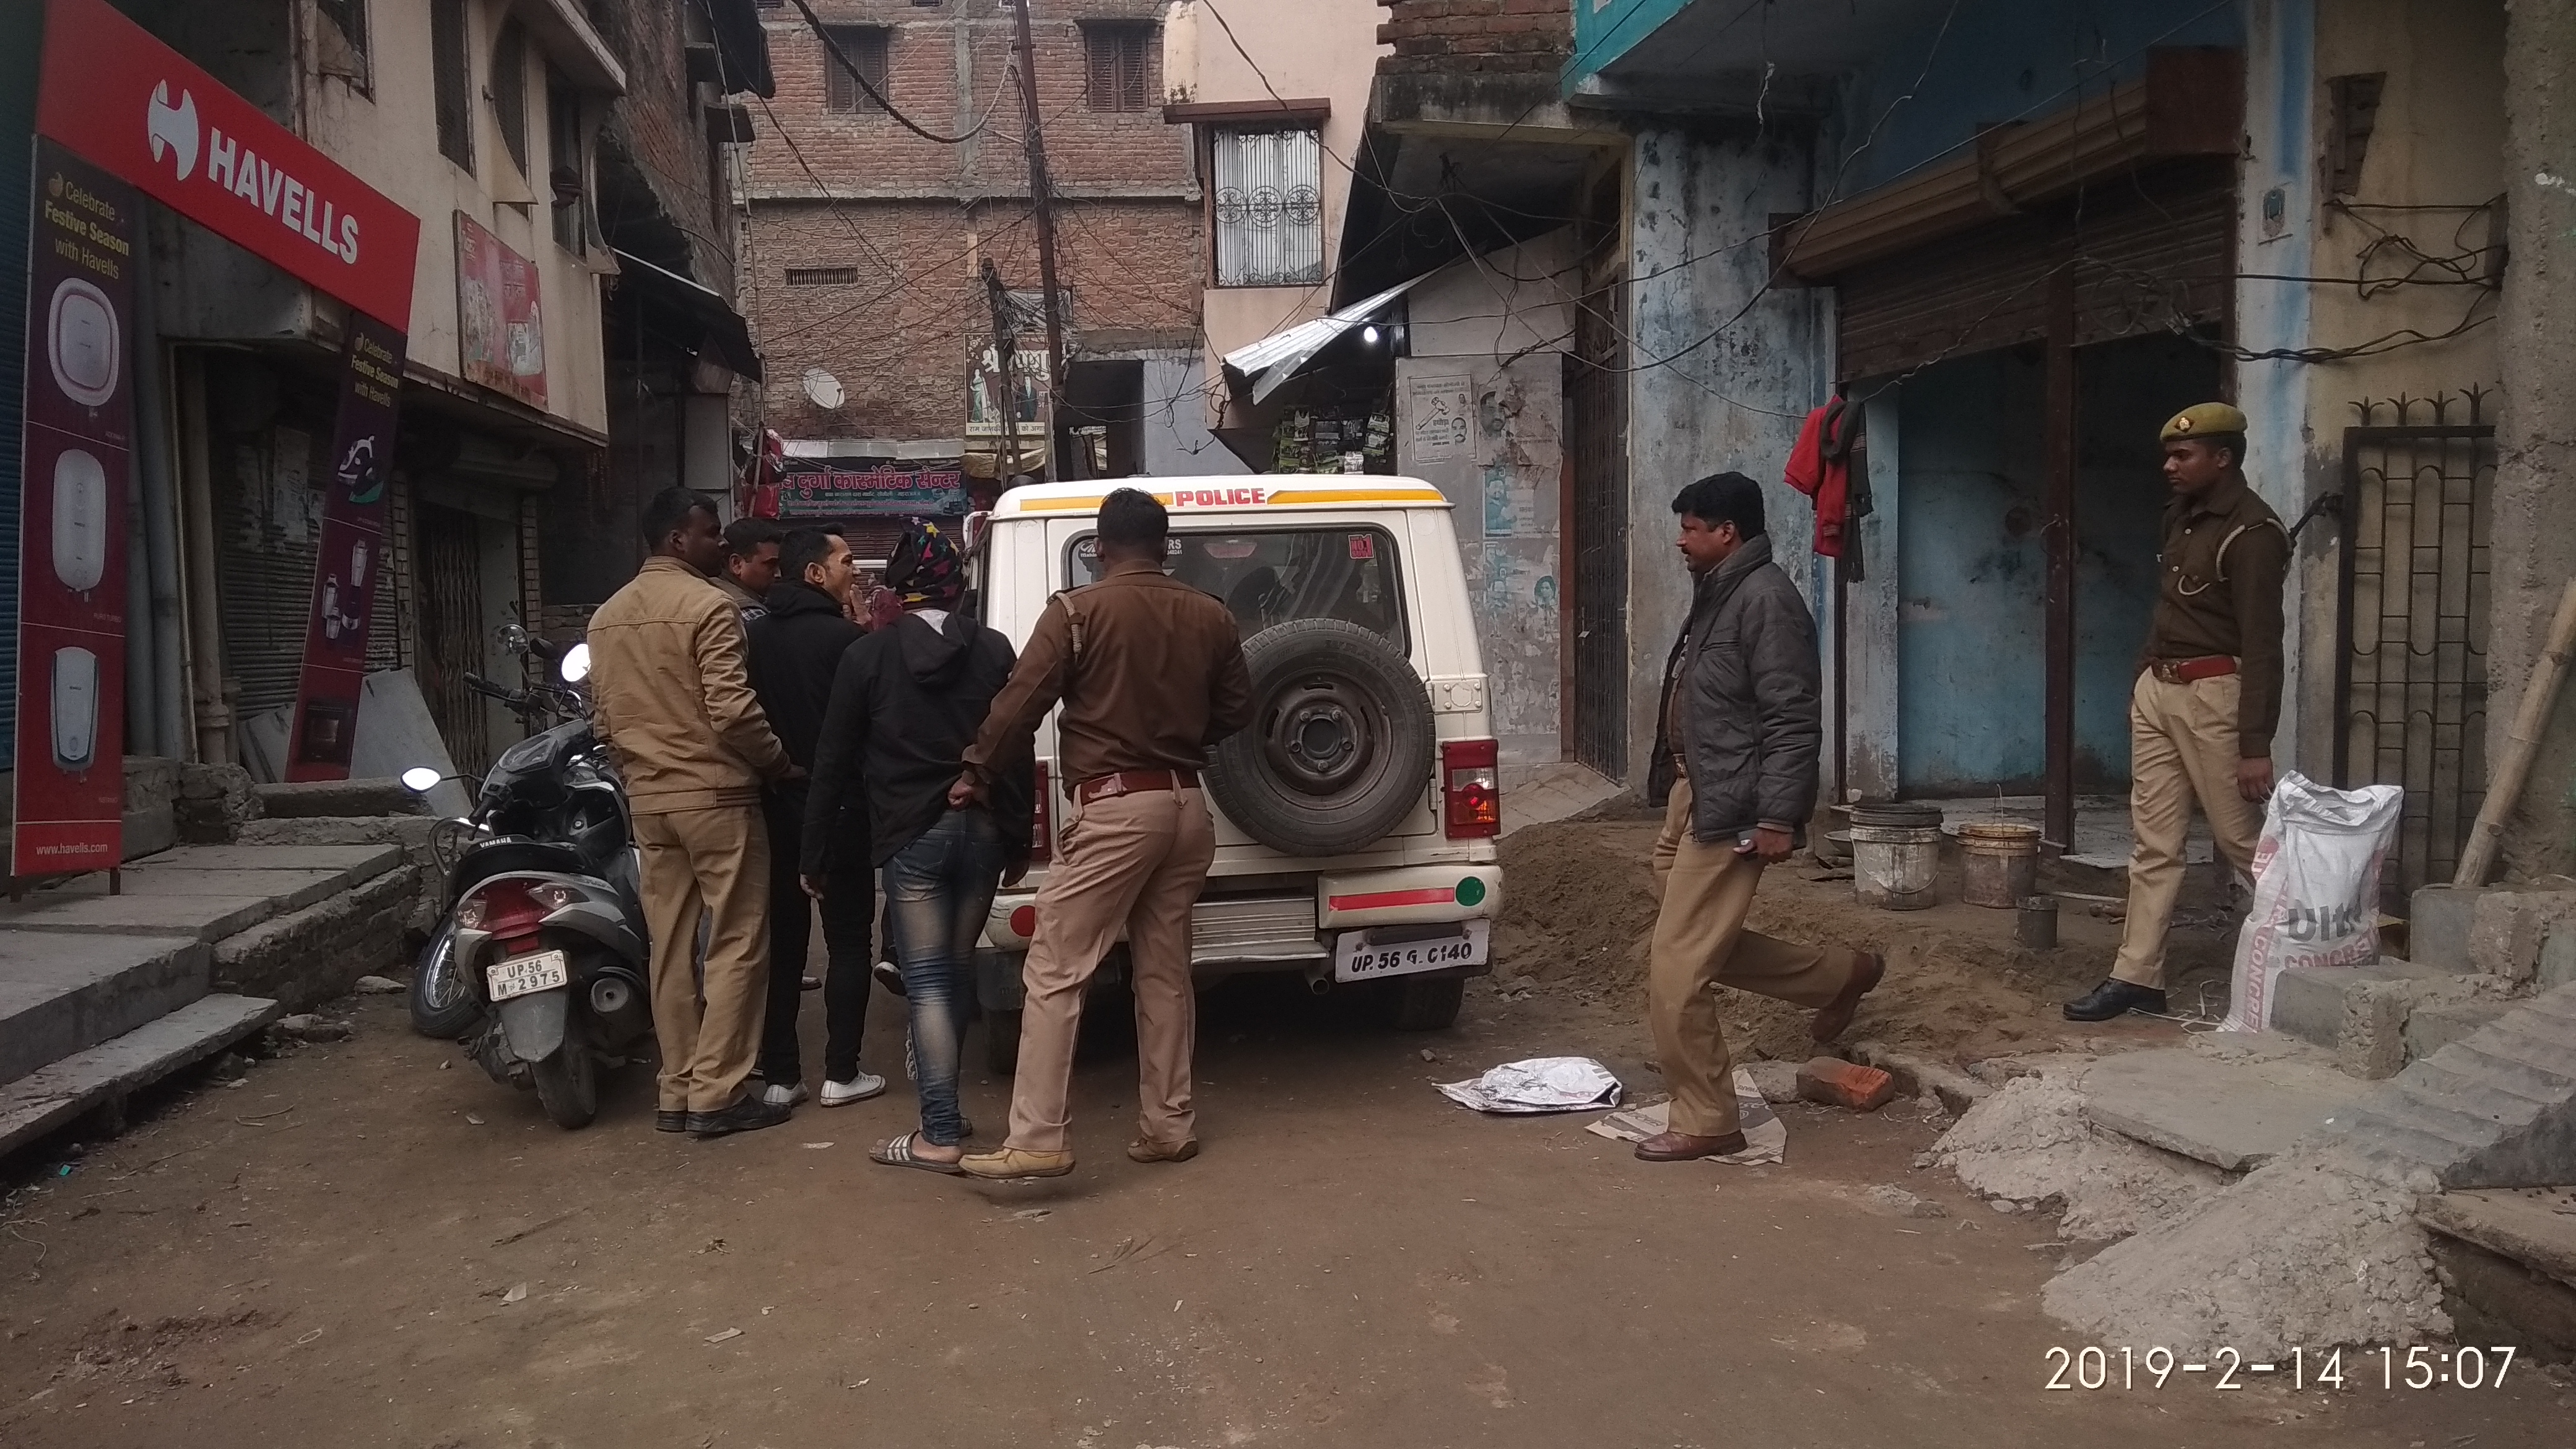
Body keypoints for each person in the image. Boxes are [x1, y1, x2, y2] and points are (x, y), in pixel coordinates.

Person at [949, 489, 1251, 1179]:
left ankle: (1036, 1139)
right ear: (1165, 546)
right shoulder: (1211, 615)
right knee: (1165, 972)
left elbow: (1019, 704)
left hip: (1117, 810)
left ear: (1099, 548)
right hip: (1186, 809)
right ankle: (1168, 1126)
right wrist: (1175, 741)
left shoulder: (1076, 613)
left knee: (1056, 969)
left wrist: (974, 772)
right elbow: (1237, 708)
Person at [1635, 471, 1885, 1162]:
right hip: (1695, 795)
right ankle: (1838, 975)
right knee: (1687, 934)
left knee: (1676, 969)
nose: (1680, 539)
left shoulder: (1765, 601)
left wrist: (1778, 815)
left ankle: (1709, 1116)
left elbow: (1791, 715)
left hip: (1737, 804)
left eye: (1691, 528)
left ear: (1727, 533)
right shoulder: (1720, 591)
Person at [804, 520, 1032, 1172]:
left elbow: (833, 761)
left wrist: (813, 854)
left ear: (898, 588)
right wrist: (1017, 835)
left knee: (928, 981)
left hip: (912, 838)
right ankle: (947, 1111)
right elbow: (1011, 751)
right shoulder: (992, 650)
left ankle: (938, 1131)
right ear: (957, 584)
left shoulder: (867, 656)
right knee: (954, 974)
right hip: (984, 830)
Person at [2065, 403, 2287, 1022]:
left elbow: (2263, 645)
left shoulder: (2252, 534)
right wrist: (2144, 673)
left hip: (2215, 696)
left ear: (2221, 458)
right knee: (2153, 845)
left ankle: (2309, 956)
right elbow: (2168, 608)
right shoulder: (2180, 519)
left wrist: (2253, 743)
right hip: (2161, 691)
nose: (2169, 465)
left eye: (2181, 456)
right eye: (2167, 455)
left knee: (2240, 841)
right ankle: (2136, 976)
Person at [587, 487, 797, 1139]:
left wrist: (637, 777)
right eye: (711, 534)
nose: (721, 545)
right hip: (718, 798)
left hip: (650, 804)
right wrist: (776, 763)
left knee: (670, 947)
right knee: (735, 942)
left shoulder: (606, 617)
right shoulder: (709, 606)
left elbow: (604, 722)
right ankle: (718, 1092)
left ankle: (676, 1089)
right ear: (679, 540)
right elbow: (732, 710)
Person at [746, 526, 881, 1108]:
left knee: (785, 943)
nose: (855, 570)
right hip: (845, 808)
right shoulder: (848, 645)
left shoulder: (755, 639)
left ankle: (780, 1075)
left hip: (778, 805)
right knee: (849, 941)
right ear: (815, 574)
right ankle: (841, 1073)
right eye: (846, 561)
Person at [715, 516, 784, 623]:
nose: (778, 574)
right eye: (770, 564)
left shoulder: (714, 591)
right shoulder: (750, 613)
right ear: (737, 564)